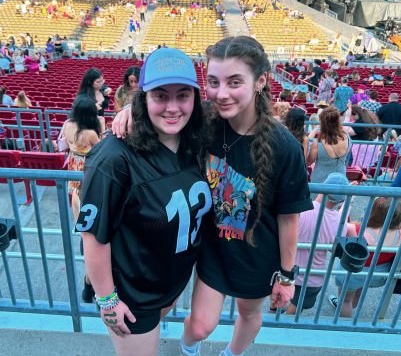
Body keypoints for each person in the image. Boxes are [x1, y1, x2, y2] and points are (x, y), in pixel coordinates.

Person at [112, 37, 313, 356]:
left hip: (258, 255)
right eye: (214, 82)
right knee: (201, 325)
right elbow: (165, 108)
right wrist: (129, 110)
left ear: (260, 81)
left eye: (235, 82)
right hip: (213, 249)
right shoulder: (203, 121)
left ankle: (232, 353)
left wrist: (287, 277)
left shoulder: (285, 147)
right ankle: (189, 347)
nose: (221, 93)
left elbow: (290, 218)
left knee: (249, 313)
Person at [76, 48, 210, 356]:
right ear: (144, 97)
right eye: (161, 96)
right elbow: (94, 236)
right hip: (134, 294)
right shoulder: (113, 158)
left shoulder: (196, 142)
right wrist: (108, 300)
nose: (173, 107)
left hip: (171, 283)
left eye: (183, 95)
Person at [286, 173, 356, 314]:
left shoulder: (300, 209)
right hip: (312, 277)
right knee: (296, 309)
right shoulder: (340, 223)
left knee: (281, 301)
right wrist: (349, 200)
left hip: (287, 270)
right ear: (342, 200)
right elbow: (338, 221)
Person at [329, 197, 401, 317]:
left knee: (345, 300)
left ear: (375, 213)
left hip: (354, 272)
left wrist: (349, 200)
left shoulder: (357, 230)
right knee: (359, 291)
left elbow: (338, 223)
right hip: (377, 275)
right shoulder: (400, 235)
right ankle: (350, 308)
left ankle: (343, 324)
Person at [63, 95, 102, 303]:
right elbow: (103, 148)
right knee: (90, 201)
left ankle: (82, 230)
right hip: (88, 169)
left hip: (73, 165)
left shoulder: (68, 125)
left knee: (77, 200)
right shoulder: (89, 133)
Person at [308, 106, 351, 184]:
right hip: (340, 181)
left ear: (322, 123)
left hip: (320, 182)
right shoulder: (347, 137)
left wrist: (314, 131)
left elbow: (308, 162)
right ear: (337, 121)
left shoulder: (318, 143)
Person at [344, 105, 380, 170]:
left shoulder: (360, 122)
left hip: (359, 152)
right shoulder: (366, 120)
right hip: (365, 151)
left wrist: (347, 117)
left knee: (351, 169)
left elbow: (346, 132)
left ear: (356, 114)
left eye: (351, 115)